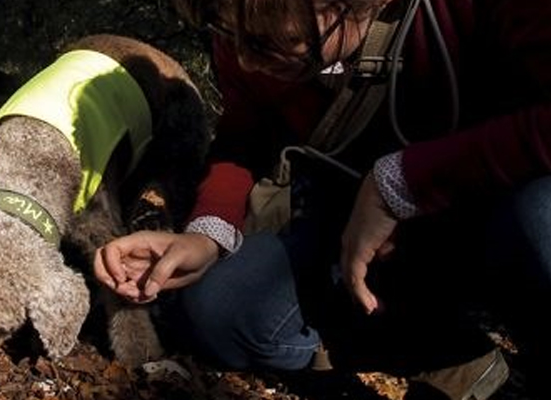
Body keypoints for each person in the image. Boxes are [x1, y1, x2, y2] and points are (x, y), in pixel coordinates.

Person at [93, 0, 551, 398]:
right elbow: (245, 134)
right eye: (228, 33)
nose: (246, 61)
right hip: (357, 233)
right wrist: (207, 233)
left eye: (269, 39)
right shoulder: (247, 26)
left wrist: (403, 182)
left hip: (503, 210)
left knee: (539, 217)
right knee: (221, 308)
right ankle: (442, 349)